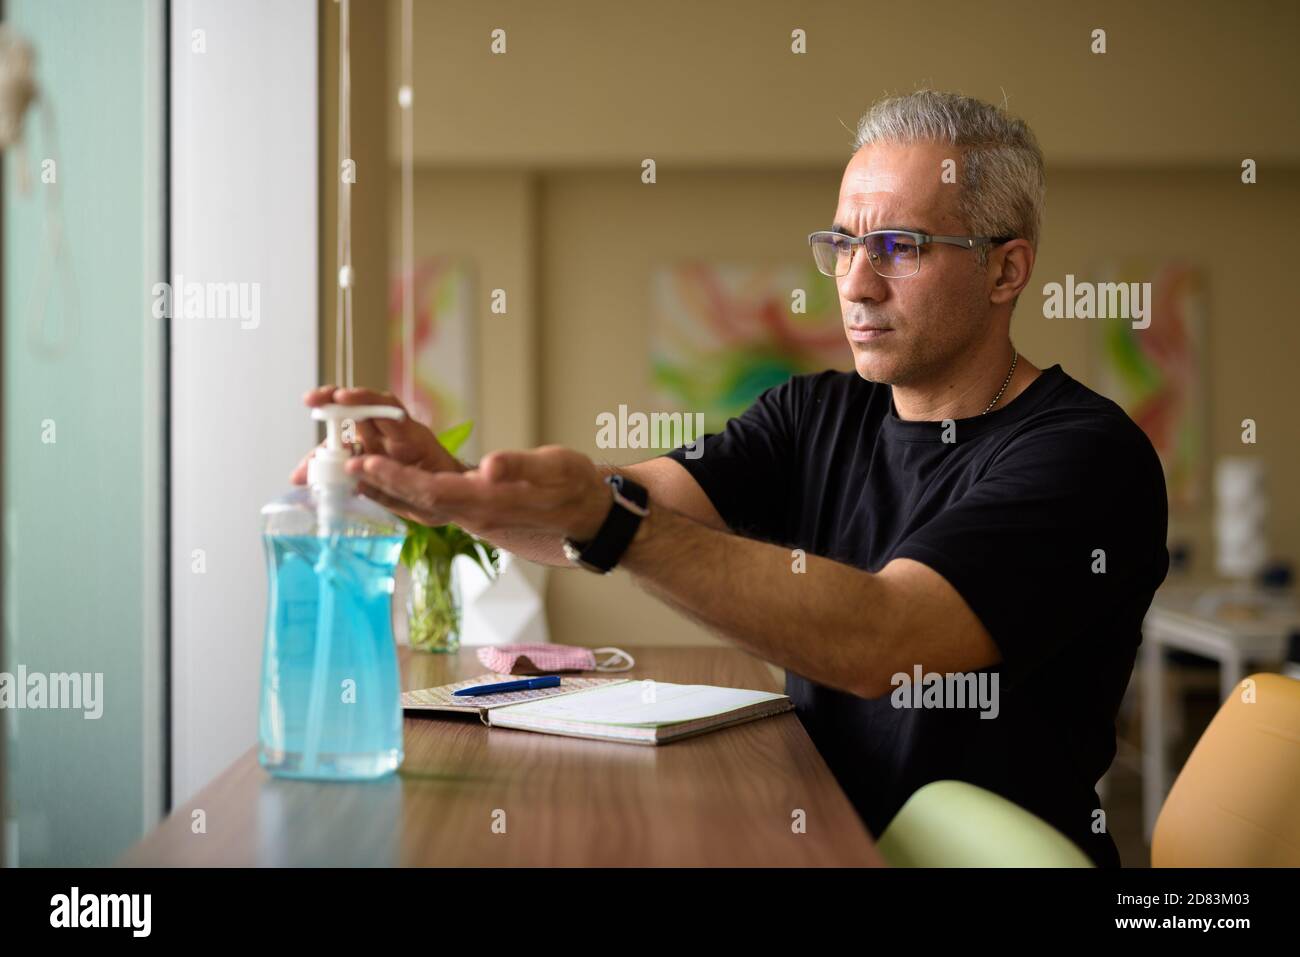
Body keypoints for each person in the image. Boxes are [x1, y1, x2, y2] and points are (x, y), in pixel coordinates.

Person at [293, 90, 1169, 867]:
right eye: (844, 243)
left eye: (900, 245)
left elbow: (885, 642)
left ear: (1006, 269)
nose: (856, 283)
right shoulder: (819, 414)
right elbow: (616, 506)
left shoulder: (1085, 457)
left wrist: (607, 523)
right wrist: (455, 490)